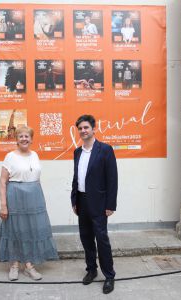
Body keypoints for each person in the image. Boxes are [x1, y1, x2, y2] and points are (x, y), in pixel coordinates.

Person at [0, 126, 59, 281]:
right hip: (15, 197)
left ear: (31, 139)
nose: (24, 139)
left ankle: (29, 266)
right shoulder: (10, 156)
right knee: (15, 231)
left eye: (27, 136)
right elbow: (3, 181)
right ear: (16, 139)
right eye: (21, 136)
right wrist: (3, 205)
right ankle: (14, 266)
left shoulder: (35, 155)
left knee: (31, 231)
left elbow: (36, 177)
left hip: (34, 197)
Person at [71, 115, 118, 294]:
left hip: (99, 203)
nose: (83, 131)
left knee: (102, 239)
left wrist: (110, 205)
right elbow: (76, 178)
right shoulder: (77, 152)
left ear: (93, 129)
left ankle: (109, 276)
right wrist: (74, 199)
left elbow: (112, 179)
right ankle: (91, 270)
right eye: (80, 128)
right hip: (82, 202)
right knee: (86, 238)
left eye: (86, 128)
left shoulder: (105, 150)